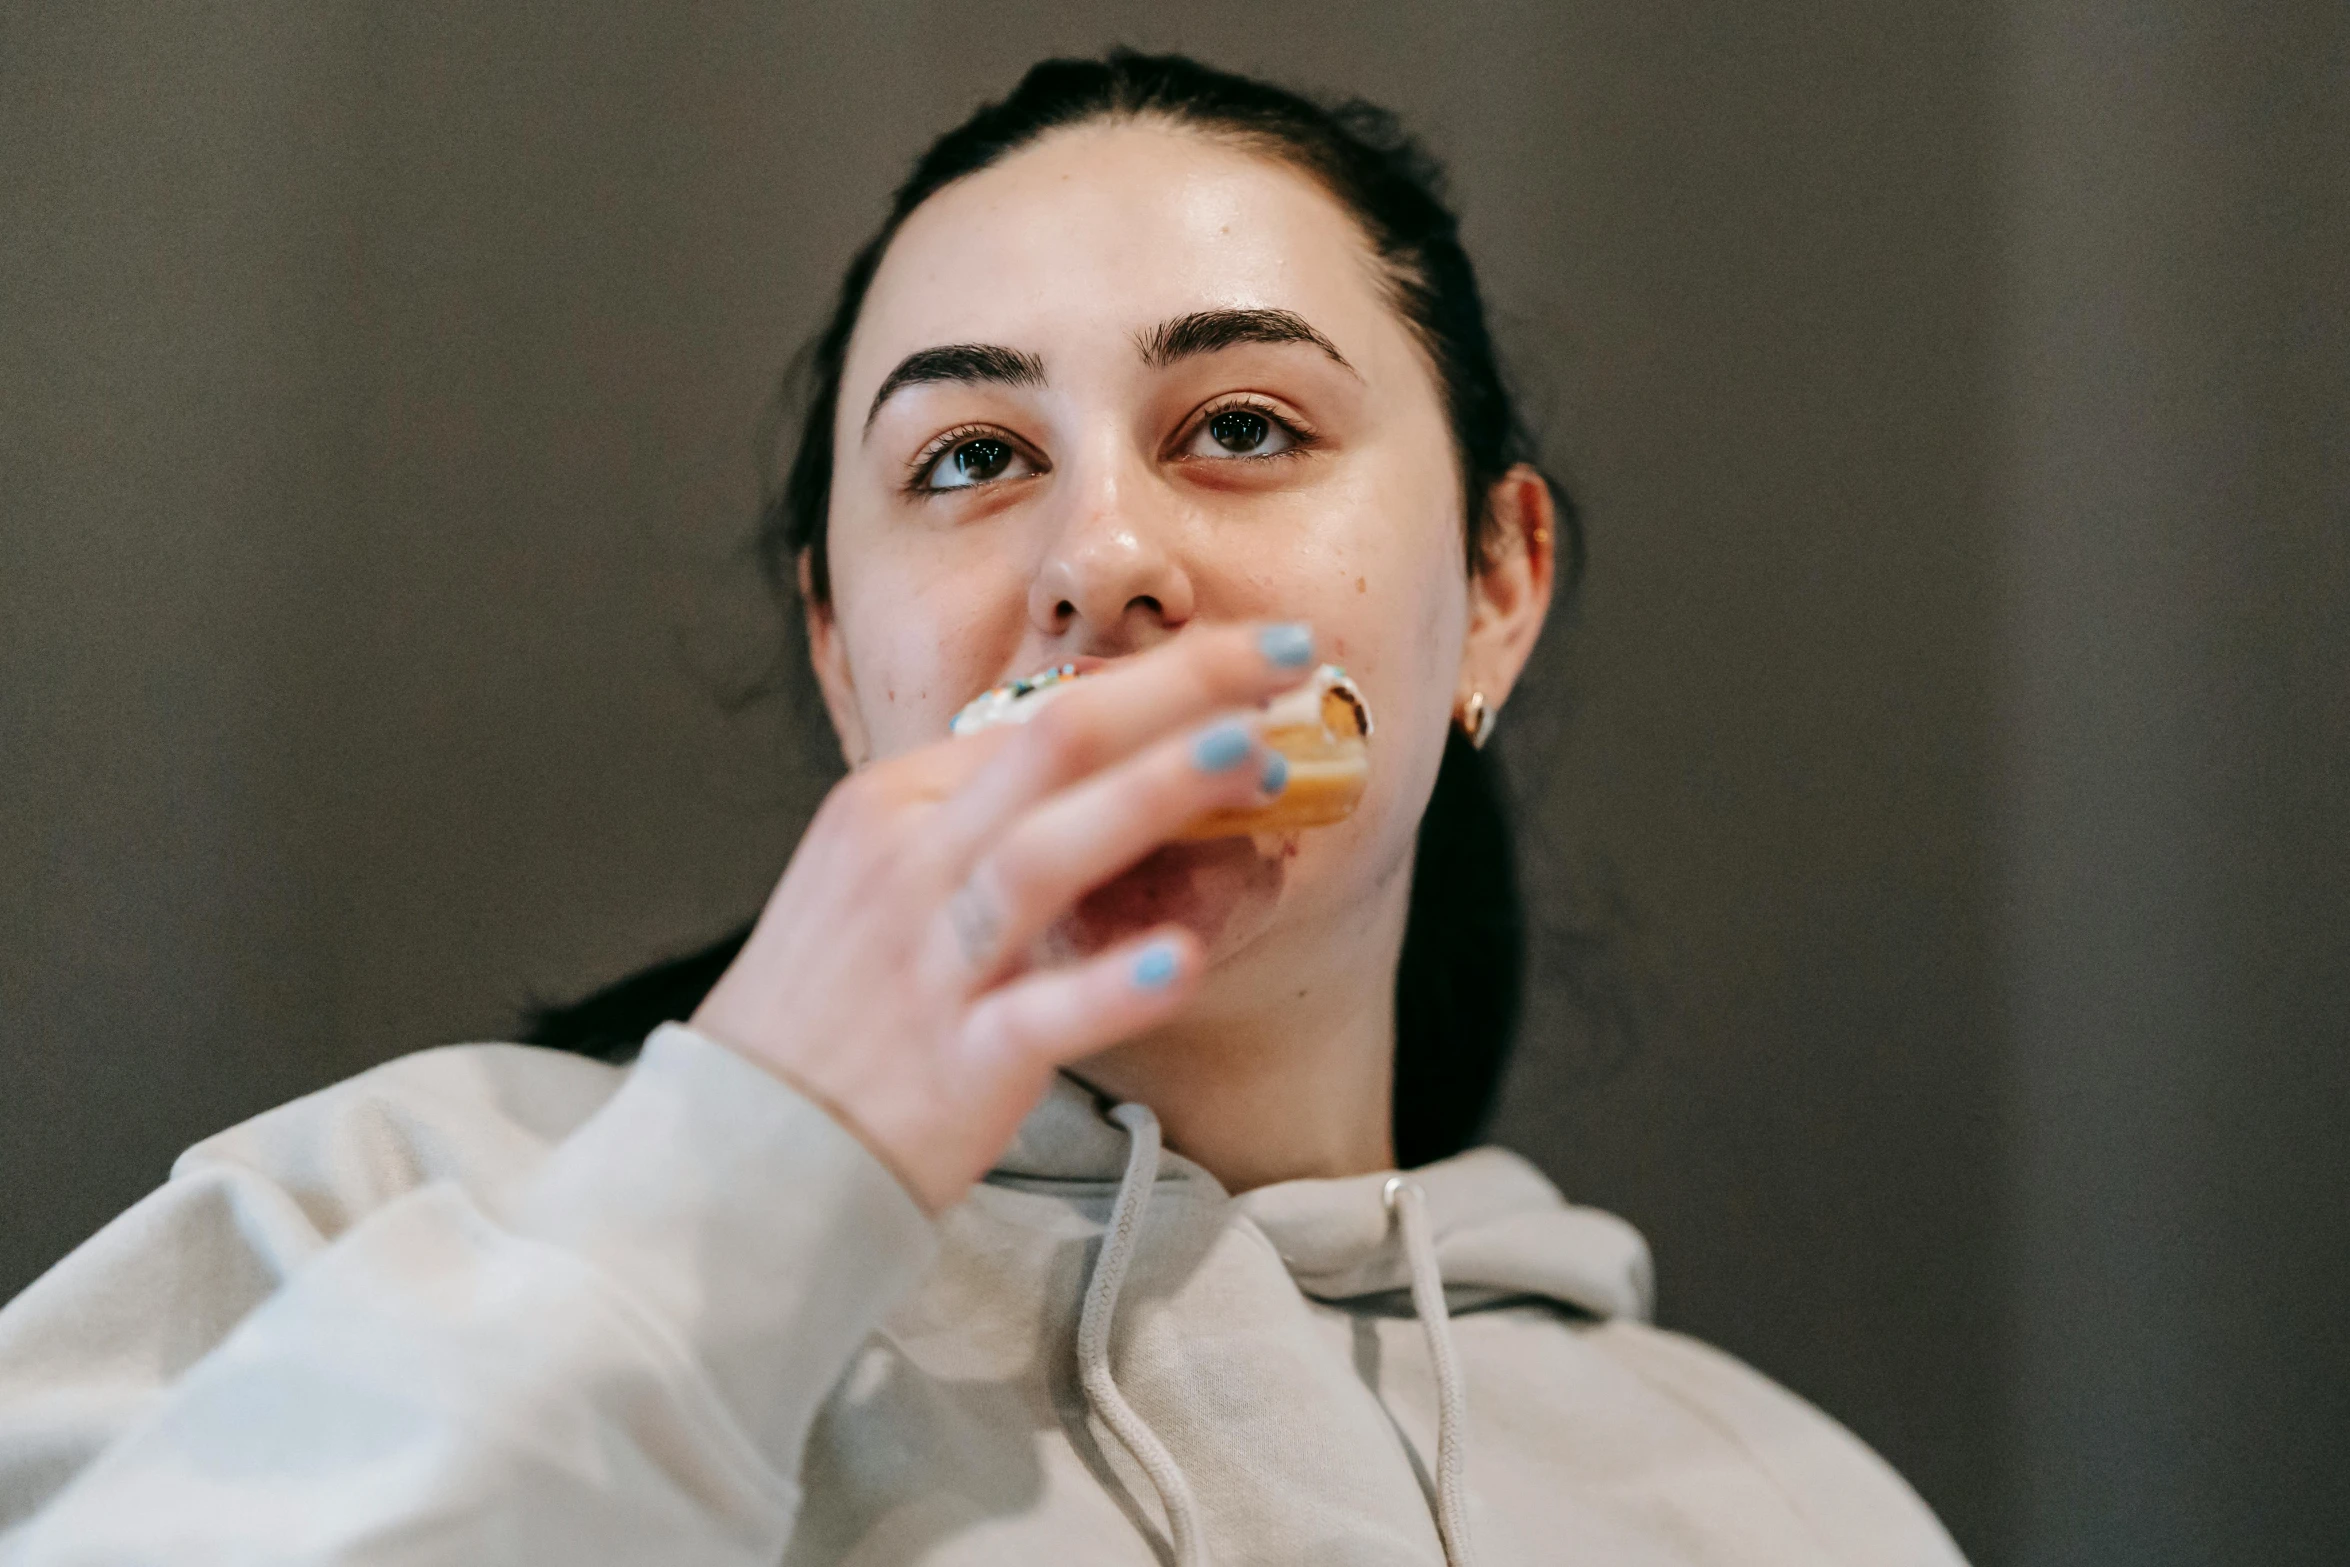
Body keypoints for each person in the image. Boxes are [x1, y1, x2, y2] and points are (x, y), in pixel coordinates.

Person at [0, 51, 1965, 1566]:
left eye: (1244, 428)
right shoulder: (365, 1225)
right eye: (965, 458)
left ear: (1496, 586)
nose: (1099, 552)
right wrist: (749, 1185)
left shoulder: (1779, 1508)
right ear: (845, 652)